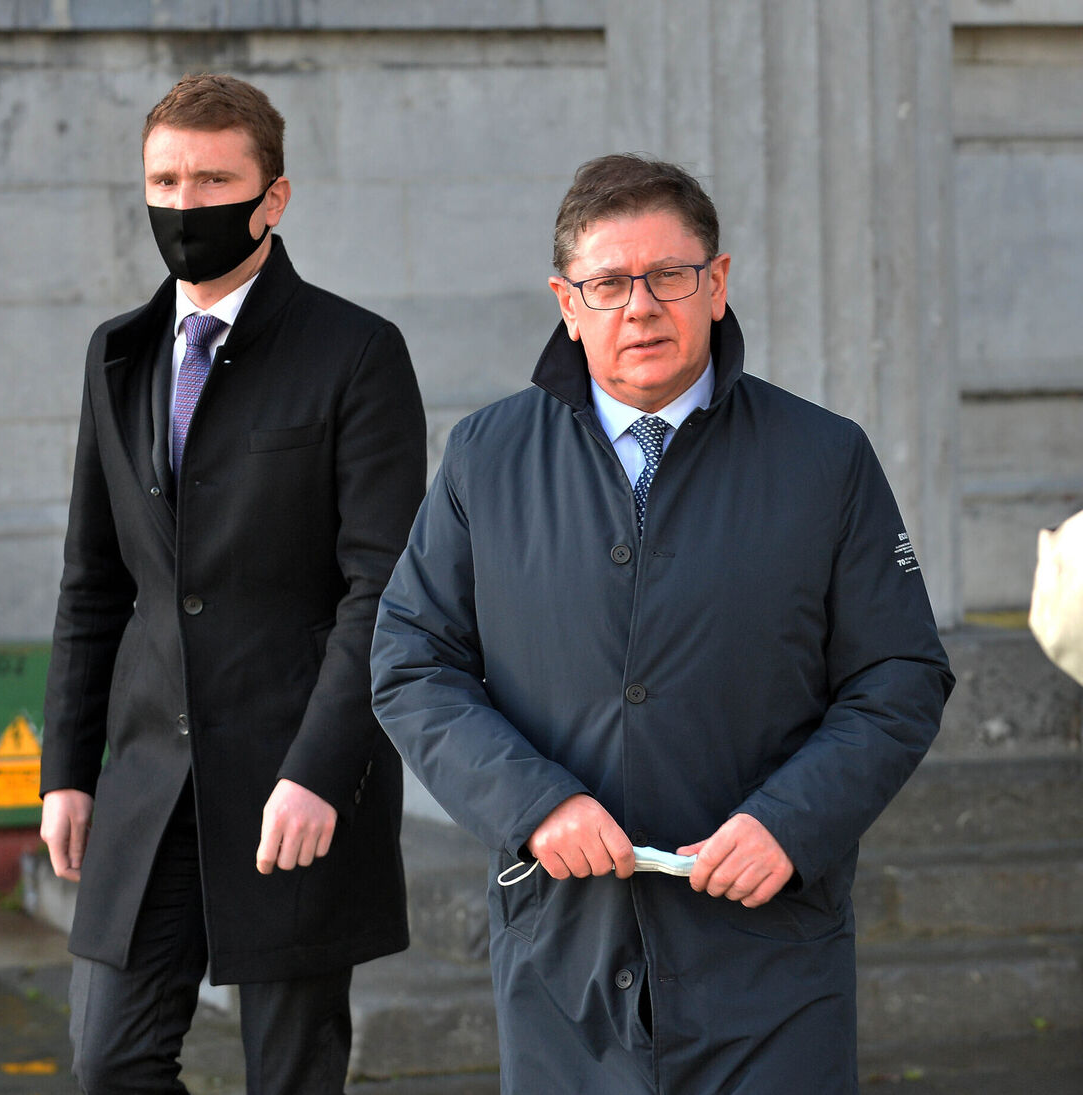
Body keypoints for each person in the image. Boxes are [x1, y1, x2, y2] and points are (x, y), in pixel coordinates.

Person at [371, 153, 953, 1094]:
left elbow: (901, 677)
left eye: (668, 276)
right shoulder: (488, 455)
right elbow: (410, 659)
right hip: (565, 957)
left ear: (715, 285)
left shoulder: (824, 458)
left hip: (769, 958)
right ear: (567, 303)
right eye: (607, 283)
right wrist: (533, 805)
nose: (639, 306)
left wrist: (790, 823)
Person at [39, 73, 426, 1094]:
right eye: (164, 179)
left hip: (295, 776)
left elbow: (381, 589)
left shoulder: (357, 353)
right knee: (109, 1061)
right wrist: (67, 769)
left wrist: (320, 767)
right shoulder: (116, 357)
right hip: (145, 782)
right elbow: (91, 582)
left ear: (275, 196)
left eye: (214, 179)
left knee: (291, 1077)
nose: (184, 203)